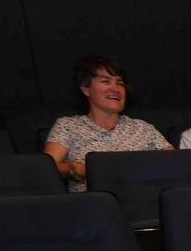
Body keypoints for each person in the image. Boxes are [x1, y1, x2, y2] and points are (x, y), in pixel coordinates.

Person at [42, 54, 171, 190]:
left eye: (120, 83)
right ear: (86, 89)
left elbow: (176, 162)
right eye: (106, 81)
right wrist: (72, 169)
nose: (115, 89)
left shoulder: (142, 128)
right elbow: (47, 165)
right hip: (94, 204)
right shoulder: (68, 126)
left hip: (142, 201)